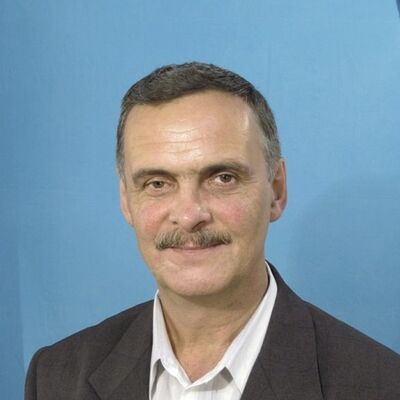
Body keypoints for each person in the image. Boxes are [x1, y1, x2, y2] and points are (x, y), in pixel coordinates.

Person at [25, 62, 400, 400]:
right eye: (157, 183)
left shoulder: (382, 385)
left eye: (223, 178)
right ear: (127, 201)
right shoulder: (56, 377)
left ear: (276, 190)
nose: (189, 215)